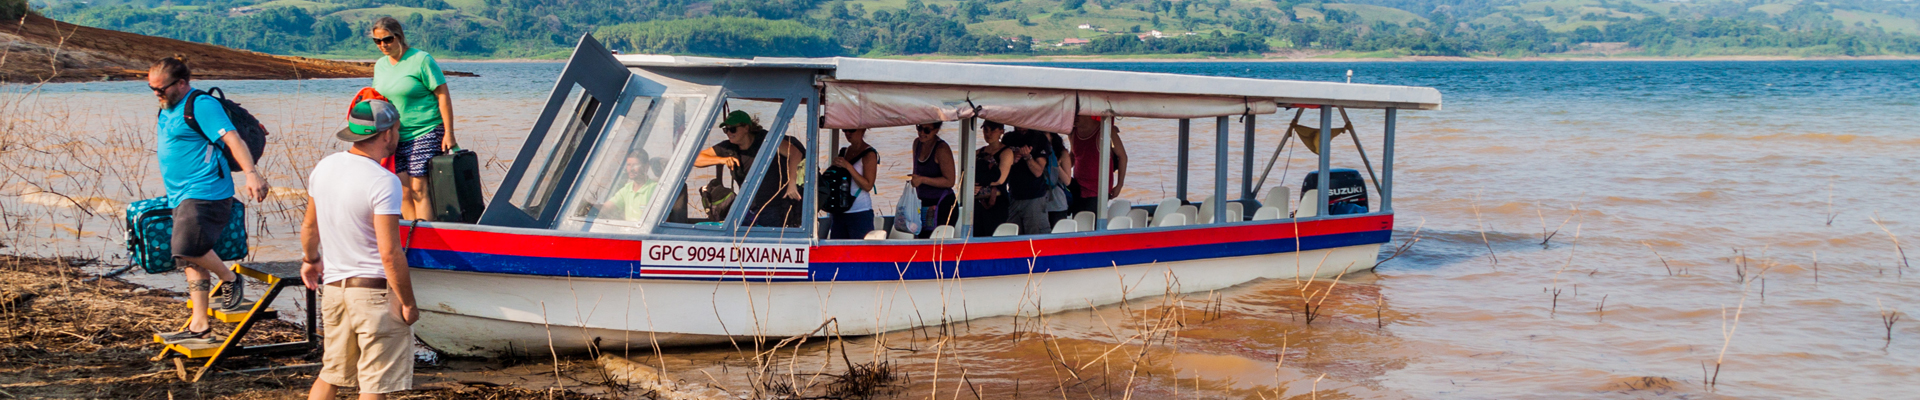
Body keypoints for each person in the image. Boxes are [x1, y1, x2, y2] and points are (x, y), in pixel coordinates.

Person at [301, 99, 418, 399]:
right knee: (374, 384)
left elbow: (310, 228)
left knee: (331, 374)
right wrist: (407, 301)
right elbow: (390, 253)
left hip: (336, 291)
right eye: (396, 128)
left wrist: (310, 259)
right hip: (374, 294)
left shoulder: (324, 167)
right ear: (387, 134)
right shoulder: (383, 181)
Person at [149, 57, 271, 345]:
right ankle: (200, 325)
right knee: (187, 256)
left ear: (181, 83)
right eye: (152, 89)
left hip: (206, 191)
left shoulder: (201, 105)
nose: (156, 94)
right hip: (179, 194)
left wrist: (251, 174)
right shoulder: (167, 107)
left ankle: (230, 279)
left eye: (160, 89)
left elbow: (233, 140)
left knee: (186, 247)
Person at [369, 16, 457, 221]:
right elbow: (378, 99)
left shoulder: (421, 60)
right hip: (397, 135)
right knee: (404, 190)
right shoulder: (380, 66)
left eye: (387, 39)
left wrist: (449, 132)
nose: (383, 45)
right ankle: (413, 240)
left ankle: (429, 241)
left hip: (426, 130)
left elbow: (443, 95)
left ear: (399, 36)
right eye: (377, 41)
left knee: (419, 187)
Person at [694, 110, 805, 228]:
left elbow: (795, 153)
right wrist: (721, 160)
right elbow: (696, 159)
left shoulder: (766, 140)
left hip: (774, 206)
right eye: (726, 130)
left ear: (746, 128)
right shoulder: (728, 147)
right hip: (747, 207)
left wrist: (792, 183)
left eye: (733, 129)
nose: (729, 133)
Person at [1067, 115, 1127, 216]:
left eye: (1078, 114)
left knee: (1092, 220)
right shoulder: (1073, 132)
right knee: (1078, 220)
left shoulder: (1106, 130)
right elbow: (1073, 156)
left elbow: (1122, 157)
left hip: (1098, 189)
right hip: (1077, 187)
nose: (1074, 117)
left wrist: (1119, 184)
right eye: (1073, 114)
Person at [909, 121, 958, 238]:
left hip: (942, 204)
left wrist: (922, 180)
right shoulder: (917, 143)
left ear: (936, 130)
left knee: (936, 244)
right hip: (923, 203)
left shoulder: (941, 149)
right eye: (919, 127)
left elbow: (950, 181)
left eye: (927, 130)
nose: (921, 133)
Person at [828, 128, 879, 239]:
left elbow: (868, 185)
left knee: (860, 253)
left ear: (862, 130)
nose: (847, 133)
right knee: (838, 253)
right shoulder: (844, 152)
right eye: (844, 130)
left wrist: (848, 167)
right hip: (840, 210)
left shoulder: (869, 154)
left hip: (860, 212)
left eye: (851, 130)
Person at [1002, 128, 1054, 235]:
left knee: (1034, 237)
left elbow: (1038, 171)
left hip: (1034, 196)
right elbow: (1001, 166)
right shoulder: (1008, 138)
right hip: (1013, 195)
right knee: (1012, 235)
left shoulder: (1039, 138)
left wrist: (1028, 157)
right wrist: (1011, 158)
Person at [971, 121, 1013, 237]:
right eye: (985, 130)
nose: (988, 134)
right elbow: (966, 175)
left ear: (1001, 132)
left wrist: (979, 184)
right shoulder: (978, 152)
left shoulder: (1006, 152)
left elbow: (1000, 179)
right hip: (977, 204)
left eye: (992, 130)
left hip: (997, 204)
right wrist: (970, 186)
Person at [599, 154, 661, 221]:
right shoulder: (627, 189)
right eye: (629, 165)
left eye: (635, 165)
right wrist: (588, 207)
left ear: (646, 166)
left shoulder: (655, 189)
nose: (631, 169)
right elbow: (606, 208)